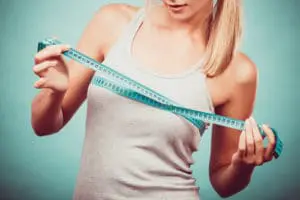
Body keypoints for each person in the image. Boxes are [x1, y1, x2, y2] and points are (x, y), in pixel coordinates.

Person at [31, 0, 277, 199]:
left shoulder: (237, 71)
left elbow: (224, 185)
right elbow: (42, 126)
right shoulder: (112, 22)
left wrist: (243, 167)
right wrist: (55, 93)